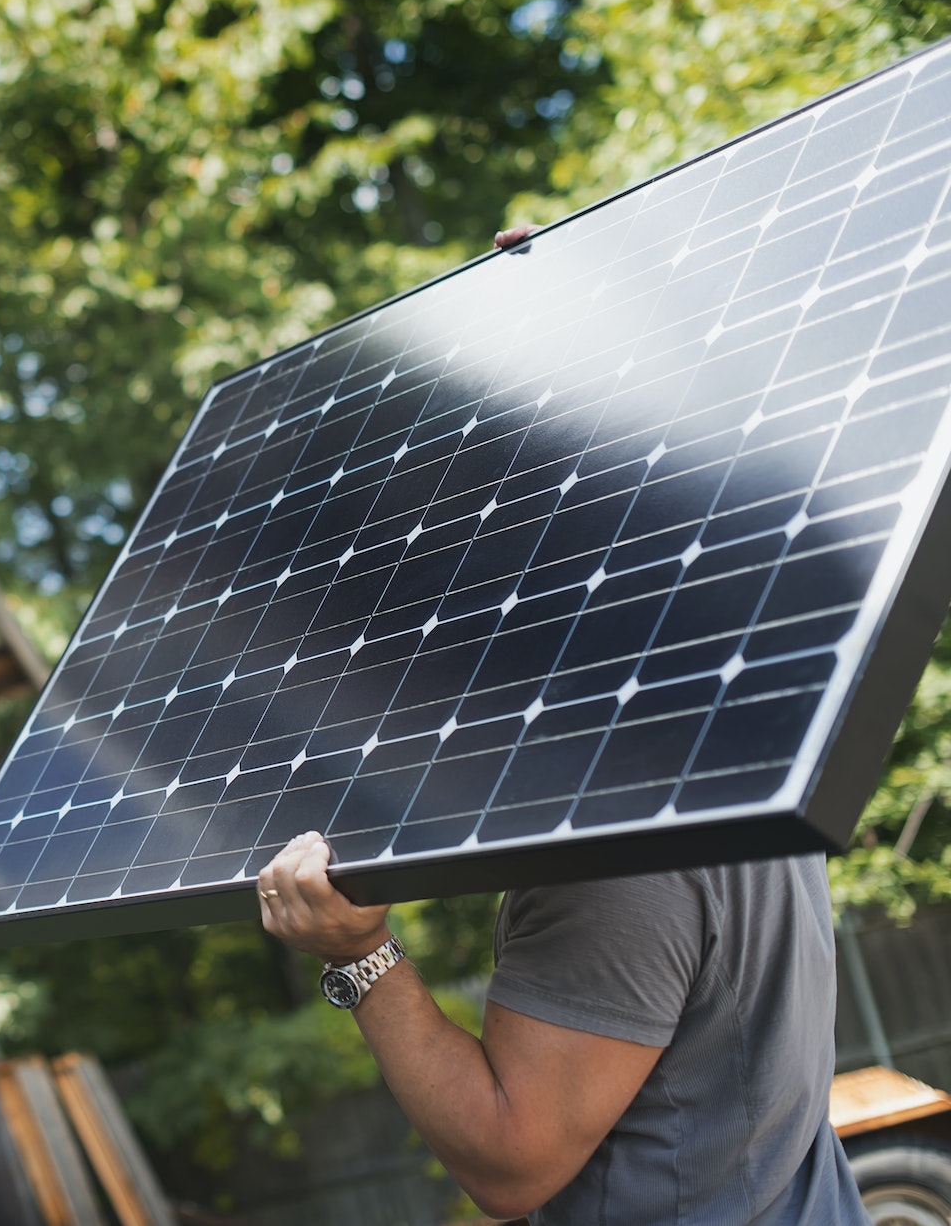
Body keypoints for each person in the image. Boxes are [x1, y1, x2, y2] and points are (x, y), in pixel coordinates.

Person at [250, 224, 872, 1225]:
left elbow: (512, 1158)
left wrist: (356, 957)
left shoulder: (614, 846)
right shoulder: (738, 745)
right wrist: (562, 307)